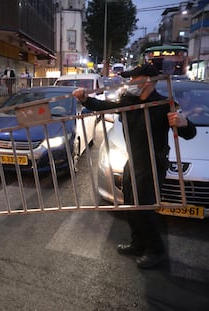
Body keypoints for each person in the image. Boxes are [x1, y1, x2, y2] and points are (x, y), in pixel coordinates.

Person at [72, 63, 196, 269]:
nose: (129, 83)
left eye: (133, 79)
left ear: (147, 81)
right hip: (134, 160)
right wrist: (85, 99)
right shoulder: (129, 101)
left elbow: (189, 133)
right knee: (129, 203)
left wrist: (183, 123)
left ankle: (156, 251)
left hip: (153, 163)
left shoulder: (164, 104)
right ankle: (138, 242)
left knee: (144, 209)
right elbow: (105, 107)